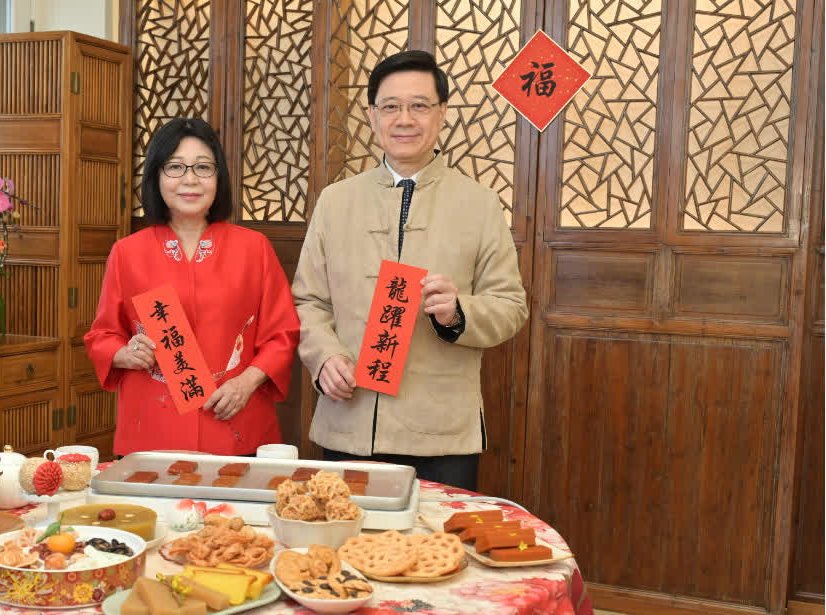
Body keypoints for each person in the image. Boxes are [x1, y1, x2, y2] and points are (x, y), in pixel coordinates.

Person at [291, 50, 528, 490]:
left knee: (438, 536)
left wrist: (458, 312)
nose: (404, 119)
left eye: (419, 106)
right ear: (372, 116)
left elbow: (511, 306)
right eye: (391, 106)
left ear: (441, 113)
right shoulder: (335, 201)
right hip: (350, 418)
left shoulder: (479, 204)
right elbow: (308, 300)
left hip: (441, 433)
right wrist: (324, 358)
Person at [85, 118, 300, 456]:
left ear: (219, 177)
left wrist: (246, 383)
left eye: (203, 167)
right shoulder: (127, 253)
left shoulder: (254, 248)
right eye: (175, 167)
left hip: (235, 423)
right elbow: (103, 335)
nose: (190, 179)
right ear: (156, 176)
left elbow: (282, 335)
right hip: (153, 430)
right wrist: (124, 353)